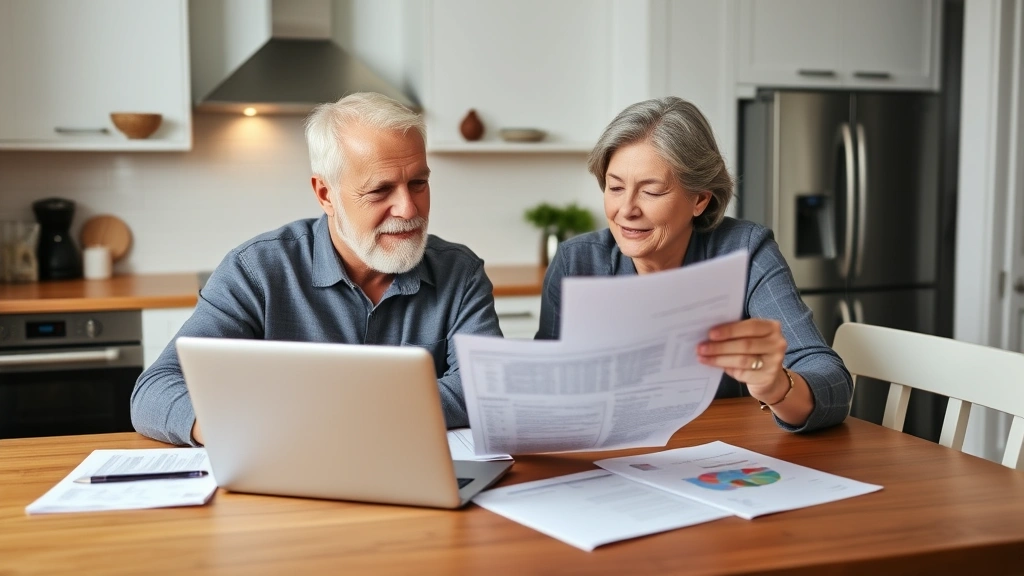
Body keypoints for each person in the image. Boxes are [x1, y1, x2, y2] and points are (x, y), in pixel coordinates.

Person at [131, 92, 502, 446]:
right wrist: (235, 426)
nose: (408, 209)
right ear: (326, 194)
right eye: (379, 191)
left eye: (418, 183)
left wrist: (329, 410)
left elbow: (487, 389)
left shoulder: (460, 272)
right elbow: (155, 390)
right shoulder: (257, 270)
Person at [536, 97, 852, 432]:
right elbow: (540, 387)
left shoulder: (744, 252)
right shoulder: (576, 262)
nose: (626, 209)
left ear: (700, 199)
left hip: (716, 460)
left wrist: (776, 386)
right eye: (615, 188)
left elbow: (831, 380)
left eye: (651, 192)